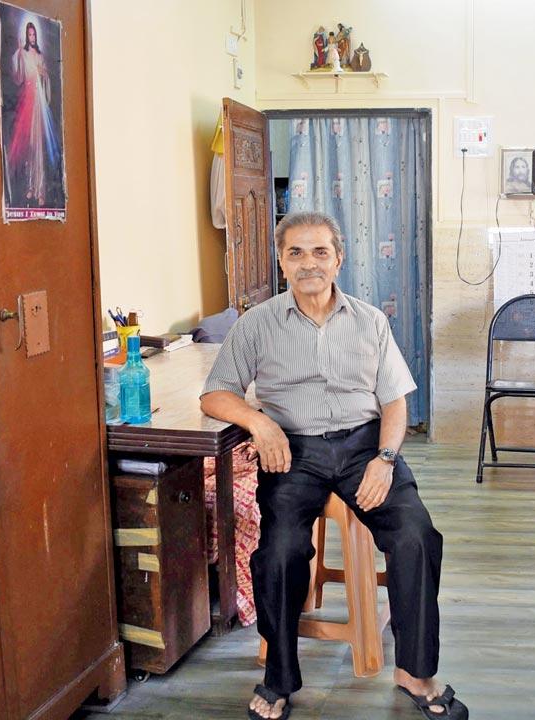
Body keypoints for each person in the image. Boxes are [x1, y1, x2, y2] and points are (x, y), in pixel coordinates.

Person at [200, 212, 468, 720]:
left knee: (416, 536)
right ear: (281, 262)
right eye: (295, 253)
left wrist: (386, 460)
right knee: (278, 552)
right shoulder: (256, 324)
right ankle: (279, 678)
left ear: (338, 259)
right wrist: (259, 422)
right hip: (293, 451)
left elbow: (394, 402)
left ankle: (414, 670)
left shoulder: (370, 320)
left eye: (320, 252)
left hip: (365, 447)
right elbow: (215, 394)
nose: (308, 264)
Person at [5, 21, 59, 207]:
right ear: (26, 36)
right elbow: (18, 76)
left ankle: (41, 189)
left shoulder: (40, 56)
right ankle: (30, 186)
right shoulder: (23, 54)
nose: (32, 38)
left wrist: (44, 75)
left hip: (39, 102)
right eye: (30, 35)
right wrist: (19, 52)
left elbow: (45, 78)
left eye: (34, 35)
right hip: (27, 99)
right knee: (28, 145)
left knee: (39, 146)